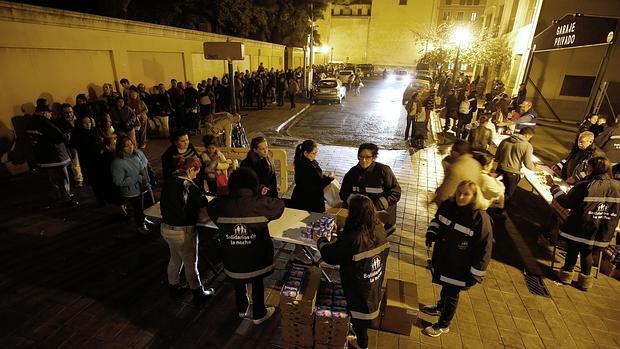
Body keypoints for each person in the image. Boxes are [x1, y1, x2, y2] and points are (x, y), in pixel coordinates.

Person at [208, 167, 285, 324]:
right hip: (256, 255)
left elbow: (211, 207)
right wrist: (259, 196)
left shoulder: (220, 205)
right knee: (257, 281)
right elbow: (279, 205)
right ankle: (259, 313)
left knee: (238, 278)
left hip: (232, 255)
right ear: (254, 184)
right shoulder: (260, 204)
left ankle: (242, 309)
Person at [316, 194, 389, 349]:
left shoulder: (354, 238)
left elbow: (331, 255)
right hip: (374, 282)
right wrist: (342, 233)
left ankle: (362, 344)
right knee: (365, 312)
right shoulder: (379, 230)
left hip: (357, 287)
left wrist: (321, 240)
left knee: (360, 319)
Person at [423, 180, 493, 337]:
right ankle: (440, 307)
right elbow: (437, 221)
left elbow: (484, 249)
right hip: (445, 259)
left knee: (452, 293)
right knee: (445, 287)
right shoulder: (448, 206)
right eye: (459, 193)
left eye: (466, 194)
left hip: (460, 267)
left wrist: (476, 274)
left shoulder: (480, 219)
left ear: (474, 196)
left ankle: (443, 324)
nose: (461, 197)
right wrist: (431, 233)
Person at [548, 157, 620, 290]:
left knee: (573, 250)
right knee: (587, 252)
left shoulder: (585, 185)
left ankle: (566, 276)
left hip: (581, 225)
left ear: (594, 169)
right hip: (600, 228)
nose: (587, 170)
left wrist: (554, 188)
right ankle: (585, 282)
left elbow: (566, 202)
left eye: (588, 168)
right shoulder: (617, 187)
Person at [160, 156, 215, 303]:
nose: (196, 175)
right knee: (191, 264)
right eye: (196, 171)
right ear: (191, 169)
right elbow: (203, 202)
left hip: (166, 228)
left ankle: (174, 288)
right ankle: (198, 293)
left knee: (175, 258)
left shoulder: (170, 180)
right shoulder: (188, 185)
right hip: (183, 231)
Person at [340, 143, 401, 235]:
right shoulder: (352, 173)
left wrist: (376, 207)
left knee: (377, 239)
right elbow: (343, 193)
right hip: (360, 216)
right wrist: (355, 205)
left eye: (368, 157)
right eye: (361, 157)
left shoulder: (384, 171)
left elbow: (395, 192)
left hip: (380, 216)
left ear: (374, 157)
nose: (364, 160)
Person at [25, 100, 78, 207]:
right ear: (44, 113)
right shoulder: (44, 123)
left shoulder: (30, 122)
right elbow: (58, 136)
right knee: (63, 177)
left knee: (53, 179)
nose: (50, 115)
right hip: (55, 156)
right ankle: (66, 198)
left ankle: (57, 196)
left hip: (43, 156)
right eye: (49, 113)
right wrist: (68, 134)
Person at [111, 136, 152, 235]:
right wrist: (135, 178)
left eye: (131, 144)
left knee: (147, 205)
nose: (130, 147)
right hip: (133, 191)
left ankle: (144, 218)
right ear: (121, 148)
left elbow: (146, 164)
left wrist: (150, 176)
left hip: (145, 186)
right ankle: (140, 226)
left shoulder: (138, 153)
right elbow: (118, 181)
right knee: (138, 209)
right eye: (126, 146)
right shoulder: (117, 163)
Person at [494, 127, 537, 209]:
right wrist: (534, 167)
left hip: (500, 169)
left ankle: (491, 208)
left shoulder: (505, 140)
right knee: (508, 195)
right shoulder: (527, 146)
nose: (529, 139)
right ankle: (497, 212)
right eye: (530, 137)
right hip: (512, 174)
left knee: (497, 190)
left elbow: (497, 157)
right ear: (527, 135)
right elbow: (528, 164)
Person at [291, 140, 334, 213]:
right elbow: (317, 184)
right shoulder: (307, 166)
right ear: (305, 153)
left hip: (302, 198)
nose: (315, 156)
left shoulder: (303, 161)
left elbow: (315, 178)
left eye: (316, 153)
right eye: (313, 153)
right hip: (309, 201)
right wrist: (329, 179)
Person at [434, 140, 481, 205]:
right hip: (469, 203)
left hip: (455, 204)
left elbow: (445, 193)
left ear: (457, 153)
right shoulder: (476, 164)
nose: (450, 152)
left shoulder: (456, 168)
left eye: (452, 150)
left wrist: (437, 199)